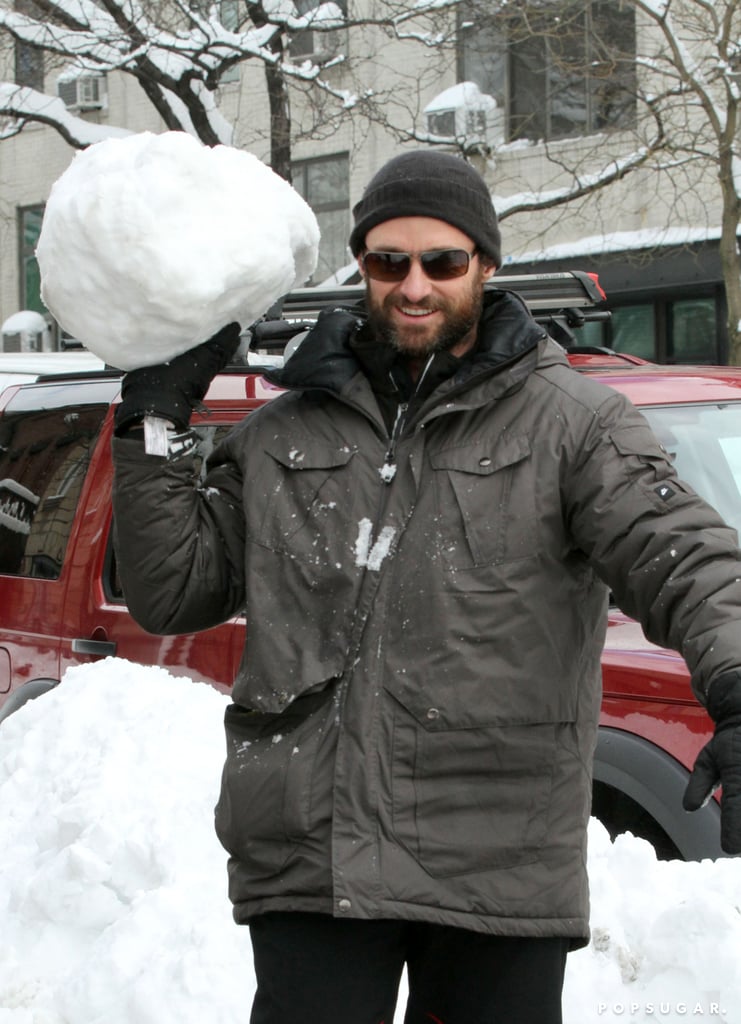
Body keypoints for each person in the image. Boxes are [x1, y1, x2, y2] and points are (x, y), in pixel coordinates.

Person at [111, 150, 741, 1024]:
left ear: (484, 265)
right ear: (362, 267)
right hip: (314, 853)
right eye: (387, 261)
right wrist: (150, 423)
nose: (413, 285)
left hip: (493, 854)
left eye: (441, 262)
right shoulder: (282, 431)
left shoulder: (575, 426)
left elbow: (686, 556)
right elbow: (173, 591)